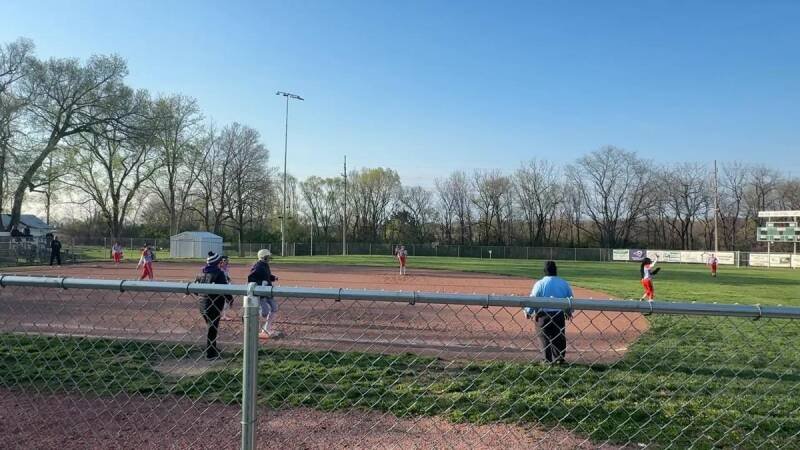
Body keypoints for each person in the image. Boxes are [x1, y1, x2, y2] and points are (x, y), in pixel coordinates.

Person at [524, 260, 573, 364]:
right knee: (559, 336)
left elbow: (534, 298)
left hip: (543, 315)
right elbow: (570, 298)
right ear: (556, 270)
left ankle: (547, 360)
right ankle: (559, 359)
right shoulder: (563, 283)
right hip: (558, 315)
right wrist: (569, 311)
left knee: (543, 337)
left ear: (544, 271)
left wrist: (528, 311)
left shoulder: (540, 283)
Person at [195, 252, 232, 360]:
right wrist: (230, 299)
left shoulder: (201, 272)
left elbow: (195, 290)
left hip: (202, 305)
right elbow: (225, 289)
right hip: (214, 305)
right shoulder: (218, 273)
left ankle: (212, 348)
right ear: (216, 263)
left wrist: (202, 296)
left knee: (212, 327)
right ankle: (210, 354)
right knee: (212, 328)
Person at [248, 249, 281, 339]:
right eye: (268, 257)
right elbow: (251, 278)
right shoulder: (257, 266)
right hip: (261, 293)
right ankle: (254, 325)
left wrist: (273, 277)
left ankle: (266, 329)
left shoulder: (265, 265)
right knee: (265, 312)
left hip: (268, 291)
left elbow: (266, 276)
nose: (269, 258)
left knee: (274, 308)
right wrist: (260, 283)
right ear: (263, 257)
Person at [219, 256, 236, 321]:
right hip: (221, 287)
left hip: (225, 286)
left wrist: (229, 281)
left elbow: (227, 277)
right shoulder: (220, 269)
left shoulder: (225, 268)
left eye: (227, 260)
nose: (227, 261)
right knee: (227, 300)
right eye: (225, 260)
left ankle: (223, 315)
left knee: (228, 300)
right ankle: (223, 315)